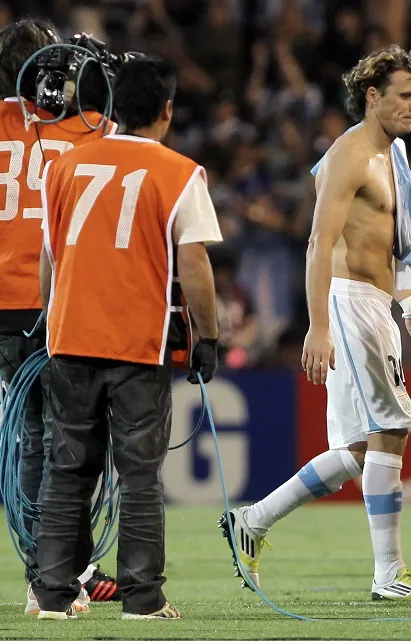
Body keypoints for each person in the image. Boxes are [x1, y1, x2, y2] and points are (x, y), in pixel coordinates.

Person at [219, 45, 411, 602]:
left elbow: (394, 243)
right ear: (372, 96)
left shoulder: (392, 154)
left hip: (376, 303)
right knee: (391, 429)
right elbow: (318, 243)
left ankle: (251, 521)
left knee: (358, 449)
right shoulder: (349, 155)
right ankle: (389, 574)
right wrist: (318, 326)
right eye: (405, 95)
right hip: (350, 304)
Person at [33, 57, 221, 620]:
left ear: (113, 108)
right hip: (137, 342)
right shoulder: (180, 172)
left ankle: (53, 594)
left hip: (69, 338)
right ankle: (142, 598)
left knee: (66, 470)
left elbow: (49, 259)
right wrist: (208, 336)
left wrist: (51, 322)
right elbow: (194, 264)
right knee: (139, 476)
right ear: (167, 110)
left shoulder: (64, 166)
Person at [0, 17, 120, 614]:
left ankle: (57, 570)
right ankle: (51, 575)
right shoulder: (86, 128)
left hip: (2, 307)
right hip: (56, 299)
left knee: (32, 439)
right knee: (63, 442)